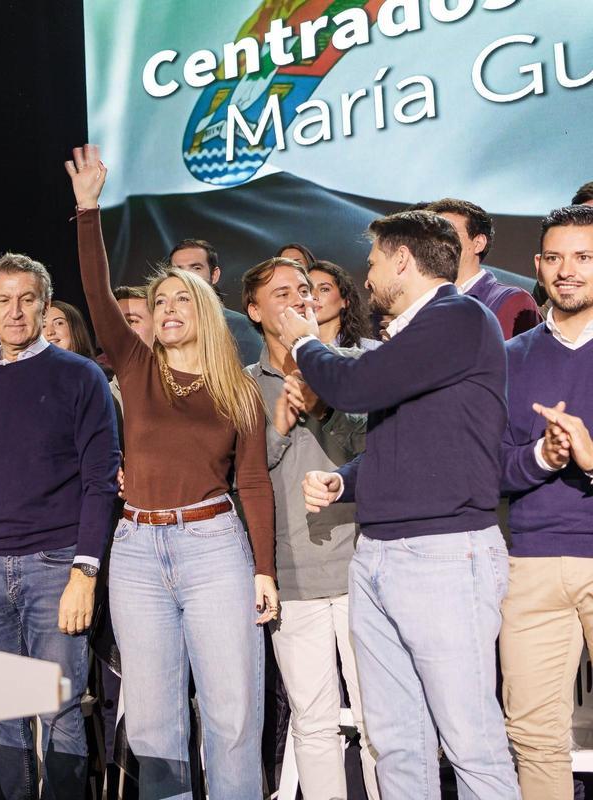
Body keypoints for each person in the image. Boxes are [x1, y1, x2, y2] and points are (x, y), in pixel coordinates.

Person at [279, 210, 518, 799]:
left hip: (442, 556)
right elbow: (413, 439)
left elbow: (353, 387)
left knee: (471, 743)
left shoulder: (458, 317)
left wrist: (303, 339)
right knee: (396, 744)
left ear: (403, 262)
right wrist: (348, 482)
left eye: (374, 262)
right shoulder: (417, 334)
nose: (368, 275)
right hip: (381, 555)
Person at [67, 144, 275, 799]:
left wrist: (264, 568)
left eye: (181, 299)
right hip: (136, 551)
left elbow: (253, 483)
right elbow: (98, 296)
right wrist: (88, 209)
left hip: (214, 547)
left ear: (205, 310)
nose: (168, 309)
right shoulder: (134, 367)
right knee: (154, 724)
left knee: (232, 713)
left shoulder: (237, 391)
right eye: (159, 303)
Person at [0, 246, 120, 800]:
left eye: (27, 300)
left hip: (56, 567)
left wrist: (84, 572)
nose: (15, 311)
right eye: (3, 301)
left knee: (61, 707)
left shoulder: (80, 376)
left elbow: (100, 483)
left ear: (45, 306)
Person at [241, 259, 379, 799]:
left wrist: (325, 408)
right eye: (281, 293)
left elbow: (380, 453)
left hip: (361, 568)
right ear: (253, 311)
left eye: (305, 289)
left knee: (377, 719)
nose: (299, 299)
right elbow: (239, 481)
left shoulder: (353, 366)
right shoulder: (243, 386)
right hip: (292, 577)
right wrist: (277, 430)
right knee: (313, 720)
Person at [498, 205, 593, 800]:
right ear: (537, 265)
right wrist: (544, 459)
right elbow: (489, 469)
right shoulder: (510, 358)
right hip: (529, 564)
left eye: (583, 257)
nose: (567, 270)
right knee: (532, 736)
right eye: (554, 258)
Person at [426, 198, 541, 339]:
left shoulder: (510, 300)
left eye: (446, 235)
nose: (434, 243)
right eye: (429, 237)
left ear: (478, 243)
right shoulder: (418, 300)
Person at [168, 237, 265, 364]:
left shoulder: (241, 328)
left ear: (214, 275)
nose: (186, 276)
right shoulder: (163, 326)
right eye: (178, 270)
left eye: (196, 268)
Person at [306, 260, 380, 351]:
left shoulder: (372, 350)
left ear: (345, 301)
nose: (313, 296)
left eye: (324, 289)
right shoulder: (292, 351)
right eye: (307, 290)